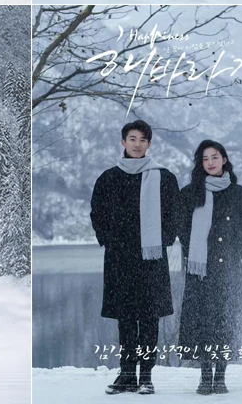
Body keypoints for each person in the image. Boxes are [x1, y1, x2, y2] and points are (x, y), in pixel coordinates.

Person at [90, 119, 181, 395]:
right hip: (120, 259)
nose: (137, 144)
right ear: (123, 142)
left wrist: (163, 240)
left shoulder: (164, 178)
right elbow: (97, 213)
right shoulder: (109, 178)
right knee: (126, 319)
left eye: (142, 140)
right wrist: (109, 240)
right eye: (132, 139)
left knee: (150, 319)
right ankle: (127, 374)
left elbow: (174, 213)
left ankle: (146, 376)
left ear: (149, 144)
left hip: (151, 260)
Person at [178, 140, 242, 395]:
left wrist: (235, 250)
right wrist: (193, 252)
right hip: (199, 269)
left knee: (224, 321)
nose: (210, 162)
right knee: (202, 321)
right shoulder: (190, 193)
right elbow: (182, 227)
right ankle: (204, 376)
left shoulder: (238, 193)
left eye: (214, 157)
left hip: (228, 267)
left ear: (224, 159)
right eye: (205, 158)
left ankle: (220, 376)